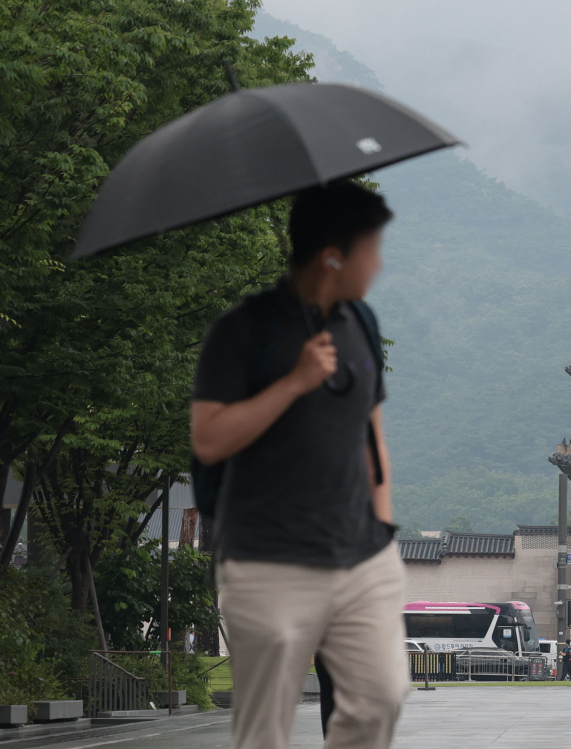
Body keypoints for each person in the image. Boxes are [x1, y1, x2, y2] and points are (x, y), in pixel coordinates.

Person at [191, 182, 408, 749]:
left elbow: (372, 436)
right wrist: (294, 383)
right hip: (268, 558)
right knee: (264, 727)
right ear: (332, 255)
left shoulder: (359, 322)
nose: (379, 263)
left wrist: (382, 530)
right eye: (371, 249)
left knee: (381, 696)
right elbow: (209, 439)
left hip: (360, 554)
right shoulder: (242, 331)